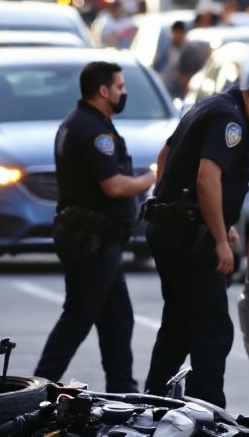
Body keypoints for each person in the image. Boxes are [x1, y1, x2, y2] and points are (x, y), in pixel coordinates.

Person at [142, 75, 249, 407]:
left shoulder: (208, 106)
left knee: (179, 325)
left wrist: (199, 215)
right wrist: (218, 238)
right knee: (213, 331)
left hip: (171, 231)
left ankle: (153, 402)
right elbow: (207, 177)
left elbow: (166, 155)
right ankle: (208, 412)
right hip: (192, 241)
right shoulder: (231, 121)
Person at [34, 61, 157, 391]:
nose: (124, 92)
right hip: (91, 239)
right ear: (104, 91)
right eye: (120, 87)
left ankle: (124, 391)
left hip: (99, 239)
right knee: (78, 317)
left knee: (117, 317)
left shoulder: (83, 122)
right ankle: (38, 388)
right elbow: (113, 186)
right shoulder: (93, 130)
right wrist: (149, 178)